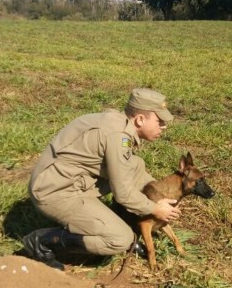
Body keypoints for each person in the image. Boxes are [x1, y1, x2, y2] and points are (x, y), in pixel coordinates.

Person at [22, 88, 181, 268]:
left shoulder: (117, 122)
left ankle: (116, 218)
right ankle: (43, 242)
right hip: (54, 192)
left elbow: (129, 171)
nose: (164, 127)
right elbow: (123, 193)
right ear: (140, 119)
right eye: (159, 121)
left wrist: (159, 198)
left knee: (135, 165)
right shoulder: (118, 137)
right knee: (120, 239)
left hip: (66, 179)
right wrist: (154, 208)